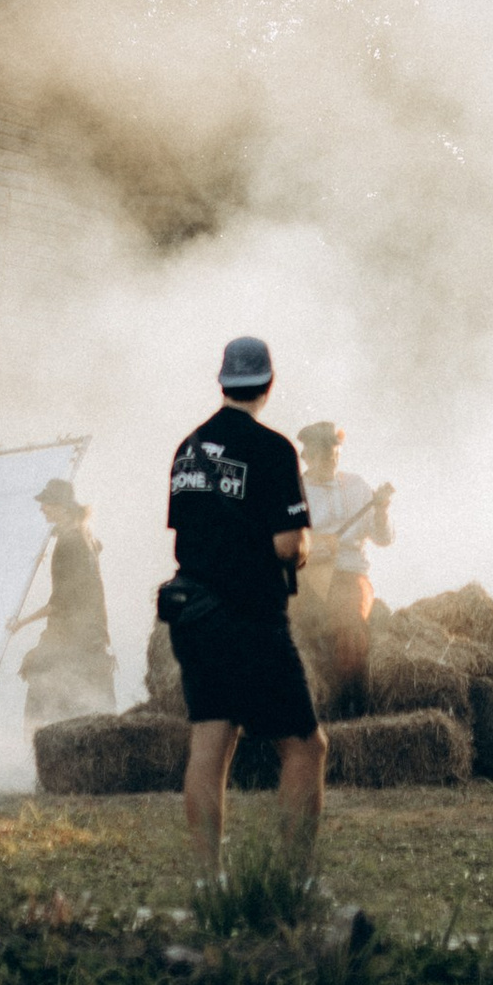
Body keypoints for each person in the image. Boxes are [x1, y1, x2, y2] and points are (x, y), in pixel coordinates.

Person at [163, 336, 327, 870]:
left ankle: (209, 882)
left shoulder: (187, 448)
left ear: (222, 381)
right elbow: (287, 545)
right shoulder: (273, 449)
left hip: (193, 613)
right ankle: (295, 880)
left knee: (210, 745)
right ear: (268, 384)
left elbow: (189, 532)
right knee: (305, 746)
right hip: (251, 615)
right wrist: (303, 551)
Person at [295, 418, 394, 704]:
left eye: (335, 452)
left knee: (348, 625)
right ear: (308, 456)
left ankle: (348, 701)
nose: (331, 458)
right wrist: (310, 551)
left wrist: (381, 512)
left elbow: (384, 538)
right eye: (324, 453)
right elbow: (278, 541)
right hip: (306, 577)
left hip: (349, 576)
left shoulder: (357, 486)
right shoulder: (295, 490)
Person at [17, 474, 117, 729]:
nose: (41, 508)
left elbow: (61, 602)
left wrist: (20, 623)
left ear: (61, 507)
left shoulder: (69, 542)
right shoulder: (84, 534)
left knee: (38, 719)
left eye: (47, 503)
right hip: (91, 636)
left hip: (72, 638)